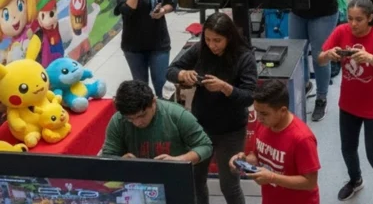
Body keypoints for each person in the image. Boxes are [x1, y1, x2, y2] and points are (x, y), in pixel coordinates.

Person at [167, 13, 259, 204]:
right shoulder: (200, 50)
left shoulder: (244, 57)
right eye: (208, 39)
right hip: (200, 127)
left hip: (231, 130)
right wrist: (182, 74)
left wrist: (226, 88)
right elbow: (171, 70)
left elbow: (249, 96)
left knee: (229, 184)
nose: (212, 45)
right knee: (196, 179)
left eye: (217, 40)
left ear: (229, 37)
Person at [319, 0, 373, 204]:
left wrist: (371, 58)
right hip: (349, 105)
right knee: (348, 148)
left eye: (359, 19)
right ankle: (355, 180)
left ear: (370, 18)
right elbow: (319, 59)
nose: (353, 24)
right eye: (350, 18)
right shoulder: (341, 31)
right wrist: (328, 54)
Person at [101, 80, 213, 203]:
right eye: (130, 118)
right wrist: (120, 162)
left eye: (142, 115)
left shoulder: (176, 115)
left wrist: (180, 159)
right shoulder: (118, 121)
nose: (137, 123)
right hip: (135, 185)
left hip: (174, 182)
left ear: (153, 102)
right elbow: (107, 157)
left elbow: (205, 146)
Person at [228, 80, 320, 204]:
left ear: (282, 111)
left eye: (264, 113)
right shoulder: (264, 124)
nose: (259, 118)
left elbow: (310, 182)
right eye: (257, 112)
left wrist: (272, 177)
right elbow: (257, 156)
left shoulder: (302, 139)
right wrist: (244, 161)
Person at [115, 0, 175, 97]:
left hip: (158, 43)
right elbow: (127, 9)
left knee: (162, 86)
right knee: (141, 90)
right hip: (134, 47)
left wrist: (162, 11)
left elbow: (171, 3)